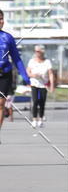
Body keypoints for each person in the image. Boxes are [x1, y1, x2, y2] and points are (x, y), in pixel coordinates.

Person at [0, 9, 30, 142]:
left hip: (5, 74)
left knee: (1, 104)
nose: (0, 21)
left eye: (1, 18)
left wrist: (25, 77)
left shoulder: (8, 38)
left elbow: (17, 59)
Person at [27, 45, 54, 129]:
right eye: (35, 51)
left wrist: (52, 85)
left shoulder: (47, 62)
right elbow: (28, 71)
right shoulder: (32, 61)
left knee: (42, 102)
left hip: (44, 85)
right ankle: (34, 119)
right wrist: (32, 75)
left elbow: (50, 74)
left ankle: (41, 120)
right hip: (34, 83)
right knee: (35, 101)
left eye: (38, 51)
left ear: (42, 52)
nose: (37, 53)